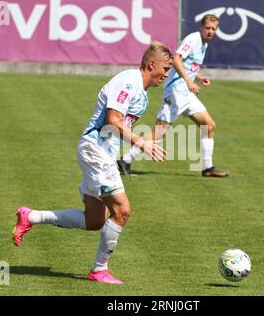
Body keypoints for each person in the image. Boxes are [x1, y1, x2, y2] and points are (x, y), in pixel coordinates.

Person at [12, 42, 173, 284]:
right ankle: (99, 270)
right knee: (122, 211)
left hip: (101, 153)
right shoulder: (128, 81)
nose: (167, 74)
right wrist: (141, 143)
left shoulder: (143, 94)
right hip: (95, 150)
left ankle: (31, 216)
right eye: (166, 68)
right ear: (152, 64)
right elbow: (113, 120)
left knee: (94, 221)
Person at [118, 14, 229, 178]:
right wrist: (188, 81)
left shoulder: (204, 44)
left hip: (186, 93)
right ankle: (125, 160)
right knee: (160, 131)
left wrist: (197, 78)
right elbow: (176, 58)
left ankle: (207, 168)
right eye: (207, 28)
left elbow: (188, 65)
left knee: (209, 125)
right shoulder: (193, 39)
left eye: (214, 29)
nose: (210, 31)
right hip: (176, 91)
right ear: (201, 27)